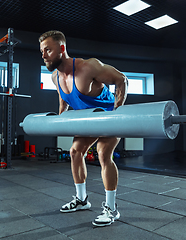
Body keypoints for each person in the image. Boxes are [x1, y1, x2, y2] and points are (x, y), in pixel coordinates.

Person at [39, 30, 128, 227]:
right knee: (74, 151)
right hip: (88, 120)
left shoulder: (89, 67)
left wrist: (117, 114)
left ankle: (112, 209)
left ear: (62, 48)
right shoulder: (56, 77)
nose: (44, 55)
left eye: (48, 50)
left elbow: (121, 79)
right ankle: (82, 200)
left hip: (107, 117)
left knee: (103, 154)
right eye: (42, 51)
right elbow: (64, 103)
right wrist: (60, 120)